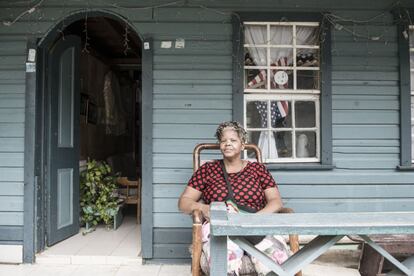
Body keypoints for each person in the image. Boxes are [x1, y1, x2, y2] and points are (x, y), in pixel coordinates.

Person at [178, 121, 289, 275]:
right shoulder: (208, 170)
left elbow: (276, 202)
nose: (227, 144)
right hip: (221, 227)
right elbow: (184, 202)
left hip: (256, 225)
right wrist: (205, 208)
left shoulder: (258, 169)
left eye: (233, 140)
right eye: (223, 141)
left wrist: (255, 220)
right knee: (226, 264)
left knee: (276, 263)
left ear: (243, 145)